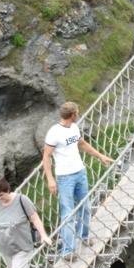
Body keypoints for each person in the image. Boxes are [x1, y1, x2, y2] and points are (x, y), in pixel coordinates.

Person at [41, 102, 113, 259]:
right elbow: (46, 156)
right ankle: (68, 250)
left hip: (80, 172)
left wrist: (100, 156)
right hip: (65, 177)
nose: (78, 115)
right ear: (72, 114)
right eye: (77, 113)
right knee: (68, 213)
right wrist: (50, 179)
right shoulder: (54, 133)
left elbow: (81, 144)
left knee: (85, 206)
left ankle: (84, 236)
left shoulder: (74, 128)